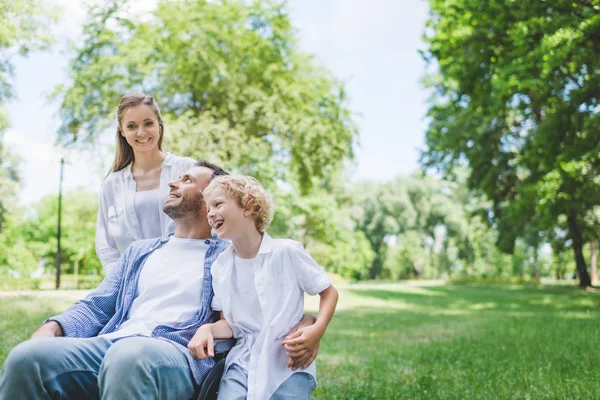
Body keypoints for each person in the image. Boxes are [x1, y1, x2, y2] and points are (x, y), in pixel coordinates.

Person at [0, 162, 316, 400]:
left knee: (129, 357)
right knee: (26, 359)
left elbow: (264, 298)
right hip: (111, 345)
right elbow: (97, 305)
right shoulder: (140, 251)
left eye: (188, 180)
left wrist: (305, 321)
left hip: (174, 355)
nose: (173, 183)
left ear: (211, 199)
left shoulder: (230, 254)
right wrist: (52, 328)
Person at [190, 175, 339, 400]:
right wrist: (207, 330)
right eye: (208, 208)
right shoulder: (220, 266)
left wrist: (317, 329)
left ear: (249, 206)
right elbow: (229, 324)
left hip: (287, 363)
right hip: (242, 364)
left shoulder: (287, 252)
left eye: (218, 204)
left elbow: (328, 292)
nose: (210, 213)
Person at [96, 93, 196, 273]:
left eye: (148, 123)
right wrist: (119, 283)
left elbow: (214, 223)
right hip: (134, 286)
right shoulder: (112, 185)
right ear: (122, 130)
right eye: (132, 126)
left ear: (159, 124)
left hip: (187, 279)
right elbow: (105, 246)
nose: (141, 132)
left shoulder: (188, 169)